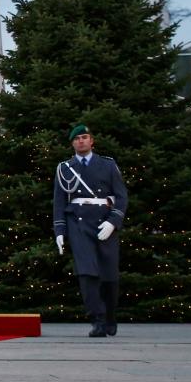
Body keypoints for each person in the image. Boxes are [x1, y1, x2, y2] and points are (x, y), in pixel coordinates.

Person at [53, 124, 129, 337]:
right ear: (72, 143)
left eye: (85, 137)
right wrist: (59, 230)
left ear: (92, 141)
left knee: (109, 275)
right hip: (78, 224)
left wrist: (113, 221)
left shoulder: (107, 165)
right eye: (77, 139)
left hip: (104, 221)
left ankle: (110, 317)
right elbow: (59, 201)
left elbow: (121, 196)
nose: (81, 141)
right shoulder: (65, 168)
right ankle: (97, 320)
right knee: (87, 273)